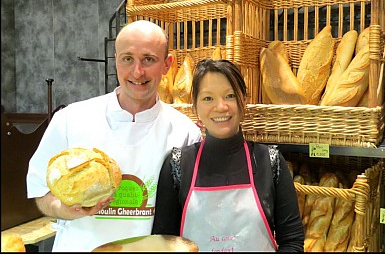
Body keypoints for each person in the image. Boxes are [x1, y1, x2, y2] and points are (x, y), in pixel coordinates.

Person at [26, 20, 203, 252]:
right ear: (116, 60)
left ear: (167, 65)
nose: (137, 72)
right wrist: (64, 209)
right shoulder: (70, 119)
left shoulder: (186, 132)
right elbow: (42, 192)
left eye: (148, 59)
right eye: (127, 59)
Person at [152, 58, 304, 252]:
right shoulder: (177, 165)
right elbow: (164, 244)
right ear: (195, 107)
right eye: (208, 98)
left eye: (230, 96)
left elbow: (292, 241)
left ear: (243, 101)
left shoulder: (270, 161)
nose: (221, 106)